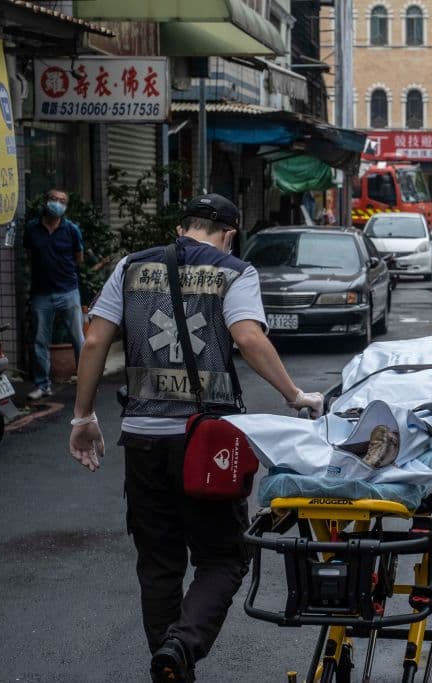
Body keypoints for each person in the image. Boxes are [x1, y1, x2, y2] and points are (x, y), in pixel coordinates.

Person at [67, 194, 325, 683]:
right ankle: (181, 647)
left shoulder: (130, 267)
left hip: (142, 437)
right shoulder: (235, 271)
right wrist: (294, 395)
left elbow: (96, 339)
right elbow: (247, 337)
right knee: (225, 556)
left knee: (159, 561)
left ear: (182, 226)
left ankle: (168, 666)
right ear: (229, 233)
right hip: (206, 443)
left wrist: (83, 417)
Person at [24, 189, 85, 400]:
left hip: (68, 291)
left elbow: (79, 258)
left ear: (66, 207)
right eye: (54, 199)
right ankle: (43, 385)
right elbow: (30, 255)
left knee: (79, 339)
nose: (57, 203)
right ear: (46, 201)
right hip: (41, 293)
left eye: (62, 201)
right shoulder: (32, 229)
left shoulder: (72, 230)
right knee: (40, 340)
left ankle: (87, 382)